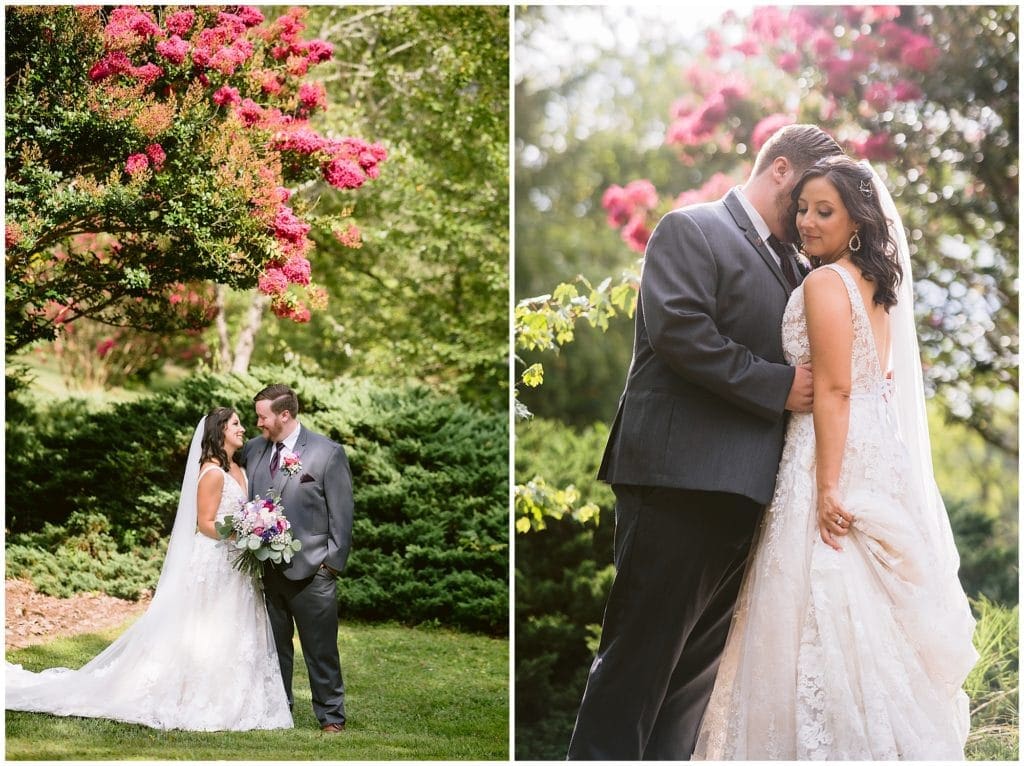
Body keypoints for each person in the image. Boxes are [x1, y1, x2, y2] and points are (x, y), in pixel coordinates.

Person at [567, 124, 843, 760]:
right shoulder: (692, 229)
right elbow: (682, 332)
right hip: (678, 482)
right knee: (636, 668)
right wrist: (779, 387)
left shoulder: (799, 265)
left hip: (746, 494)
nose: (807, 215)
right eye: (804, 196)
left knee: (691, 686)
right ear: (779, 169)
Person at [691, 156, 978, 759]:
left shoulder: (824, 282)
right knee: (865, 606)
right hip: (875, 450)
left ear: (856, 223)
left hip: (831, 451)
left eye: (825, 211)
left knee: (817, 593)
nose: (807, 221)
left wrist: (826, 489)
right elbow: (881, 378)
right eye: (802, 208)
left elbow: (835, 388)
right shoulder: (876, 286)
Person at [6, 407, 293, 731]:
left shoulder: (237, 467)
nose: (243, 429)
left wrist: (256, 526)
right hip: (214, 561)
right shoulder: (212, 472)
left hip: (235, 565)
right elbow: (205, 524)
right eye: (236, 424)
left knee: (234, 628)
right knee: (206, 629)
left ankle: (240, 695)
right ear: (219, 432)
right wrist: (244, 530)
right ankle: (196, 695)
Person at [240, 383, 354, 734]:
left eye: (263, 416)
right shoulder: (253, 450)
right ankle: (280, 711)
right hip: (267, 571)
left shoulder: (326, 452)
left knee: (320, 651)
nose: (257, 423)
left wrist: (331, 564)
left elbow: (343, 513)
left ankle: (331, 717)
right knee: (275, 651)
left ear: (284, 415)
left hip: (313, 572)